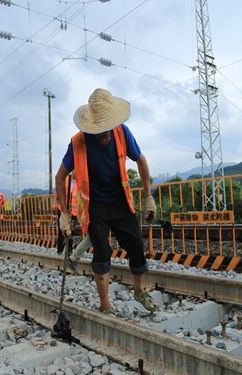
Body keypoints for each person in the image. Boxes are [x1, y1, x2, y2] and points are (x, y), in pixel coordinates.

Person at [55, 88, 158, 314]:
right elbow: (60, 176)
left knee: (136, 246)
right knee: (102, 252)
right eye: (102, 132)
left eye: (108, 129)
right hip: (95, 206)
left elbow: (140, 160)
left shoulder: (122, 132)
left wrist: (148, 196)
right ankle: (105, 305)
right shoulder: (78, 143)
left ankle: (139, 290)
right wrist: (64, 212)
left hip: (121, 200)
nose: (107, 135)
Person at [56, 173, 77, 255]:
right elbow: (59, 191)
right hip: (62, 208)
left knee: (71, 230)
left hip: (73, 210)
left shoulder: (79, 182)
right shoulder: (65, 179)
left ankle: (69, 250)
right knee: (62, 229)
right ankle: (60, 250)